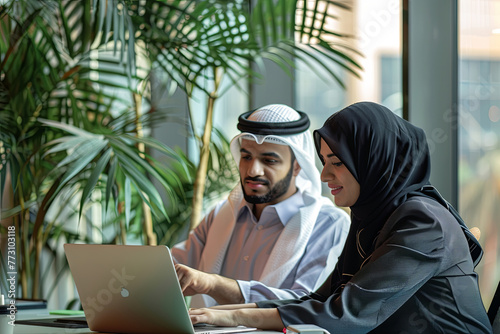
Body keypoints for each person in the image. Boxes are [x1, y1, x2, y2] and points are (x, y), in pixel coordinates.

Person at [188, 102, 493, 333]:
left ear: (373, 160)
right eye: (324, 161)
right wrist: (223, 313)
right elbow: (321, 300)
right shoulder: (371, 216)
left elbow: (346, 314)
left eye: (337, 162)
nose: (324, 175)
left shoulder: (423, 222)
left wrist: (232, 316)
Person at [172, 104, 350, 307]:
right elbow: (171, 270)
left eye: (269, 160)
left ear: (297, 165)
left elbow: (305, 304)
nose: (253, 170)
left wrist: (213, 285)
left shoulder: (328, 224)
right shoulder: (221, 213)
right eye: (246, 157)